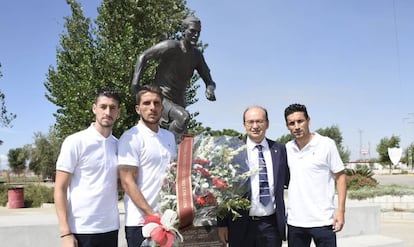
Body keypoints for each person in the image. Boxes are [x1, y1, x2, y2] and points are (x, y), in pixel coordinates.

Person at [131, 16, 216, 141]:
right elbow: (143, 56)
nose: (196, 35)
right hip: (162, 98)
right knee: (183, 118)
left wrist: (209, 88)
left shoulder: (196, 56)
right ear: (183, 31)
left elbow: (209, 80)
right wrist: (135, 83)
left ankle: (171, 148)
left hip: (179, 102)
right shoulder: (171, 46)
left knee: (183, 137)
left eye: (198, 32)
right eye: (192, 31)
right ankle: (168, 149)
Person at [54, 89, 122, 247]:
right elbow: (60, 188)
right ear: (94, 108)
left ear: (118, 112)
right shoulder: (75, 142)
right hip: (81, 229)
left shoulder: (119, 145)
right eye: (103, 106)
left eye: (112, 108)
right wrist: (65, 232)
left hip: (110, 228)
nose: (107, 112)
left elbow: (117, 183)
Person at [217, 106, 290, 247]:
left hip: (271, 226)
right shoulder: (233, 152)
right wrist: (222, 224)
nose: (255, 126)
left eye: (259, 121)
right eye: (250, 122)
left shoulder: (279, 150)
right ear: (244, 125)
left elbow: (289, 180)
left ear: (267, 124)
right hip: (240, 225)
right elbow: (222, 190)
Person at [117, 84, 177, 247]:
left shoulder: (169, 137)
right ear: (138, 109)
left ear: (162, 107)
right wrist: (153, 215)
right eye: (147, 103)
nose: (152, 108)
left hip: (170, 222)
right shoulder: (131, 138)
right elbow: (128, 183)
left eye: (156, 103)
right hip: (141, 223)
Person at [284, 103, 347, 247]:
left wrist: (341, 211)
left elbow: (341, 177)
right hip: (295, 222)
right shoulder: (287, 149)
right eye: (292, 123)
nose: (297, 126)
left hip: (323, 221)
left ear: (308, 121)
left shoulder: (326, 144)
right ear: (287, 126)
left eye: (300, 121)